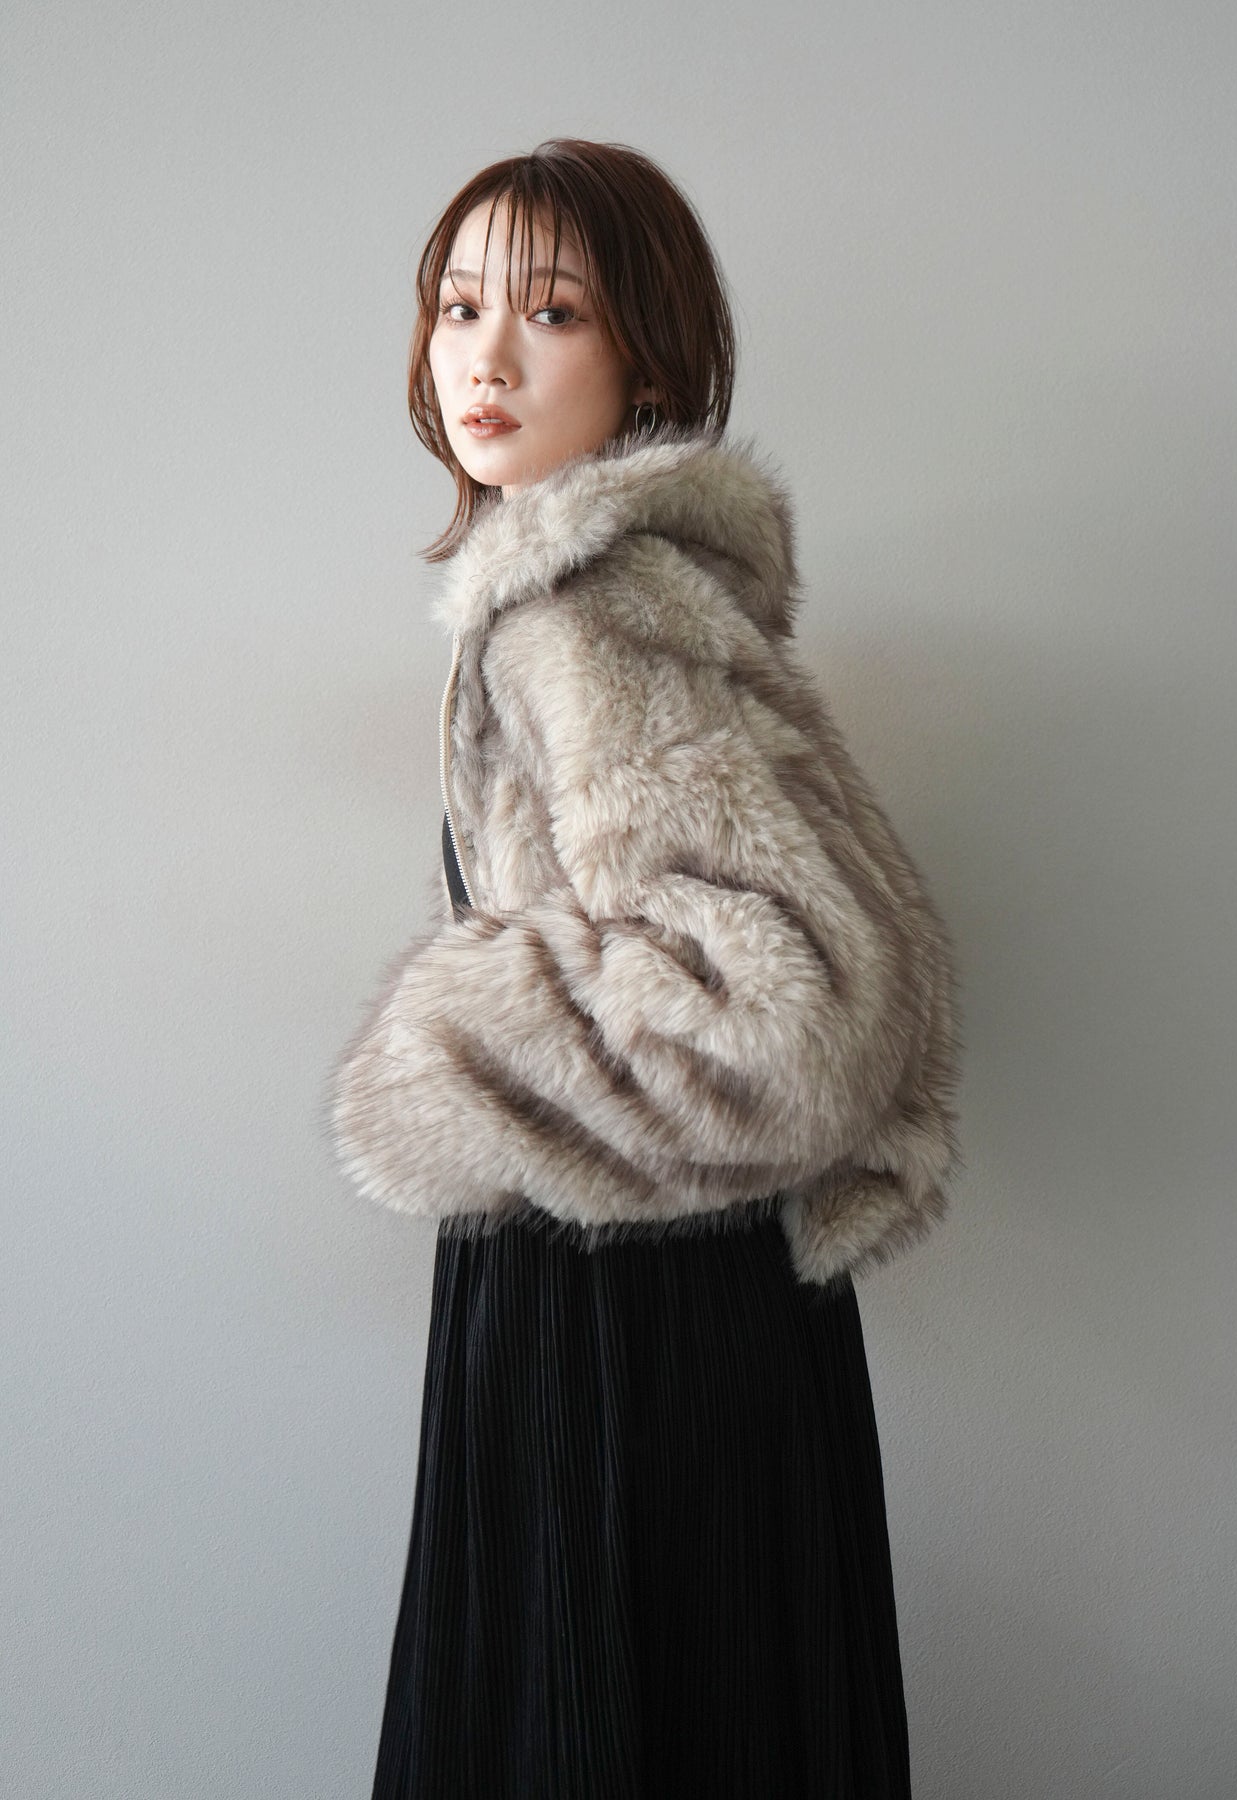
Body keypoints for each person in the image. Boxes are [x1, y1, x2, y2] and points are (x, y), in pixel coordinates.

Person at [325, 136, 964, 1800]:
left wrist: (448, 1052)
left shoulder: (580, 611)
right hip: (669, 1304)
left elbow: (792, 1013)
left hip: (621, 1333)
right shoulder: (617, 595)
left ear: (649, 366)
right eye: (458, 307)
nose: (484, 355)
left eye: (550, 313)